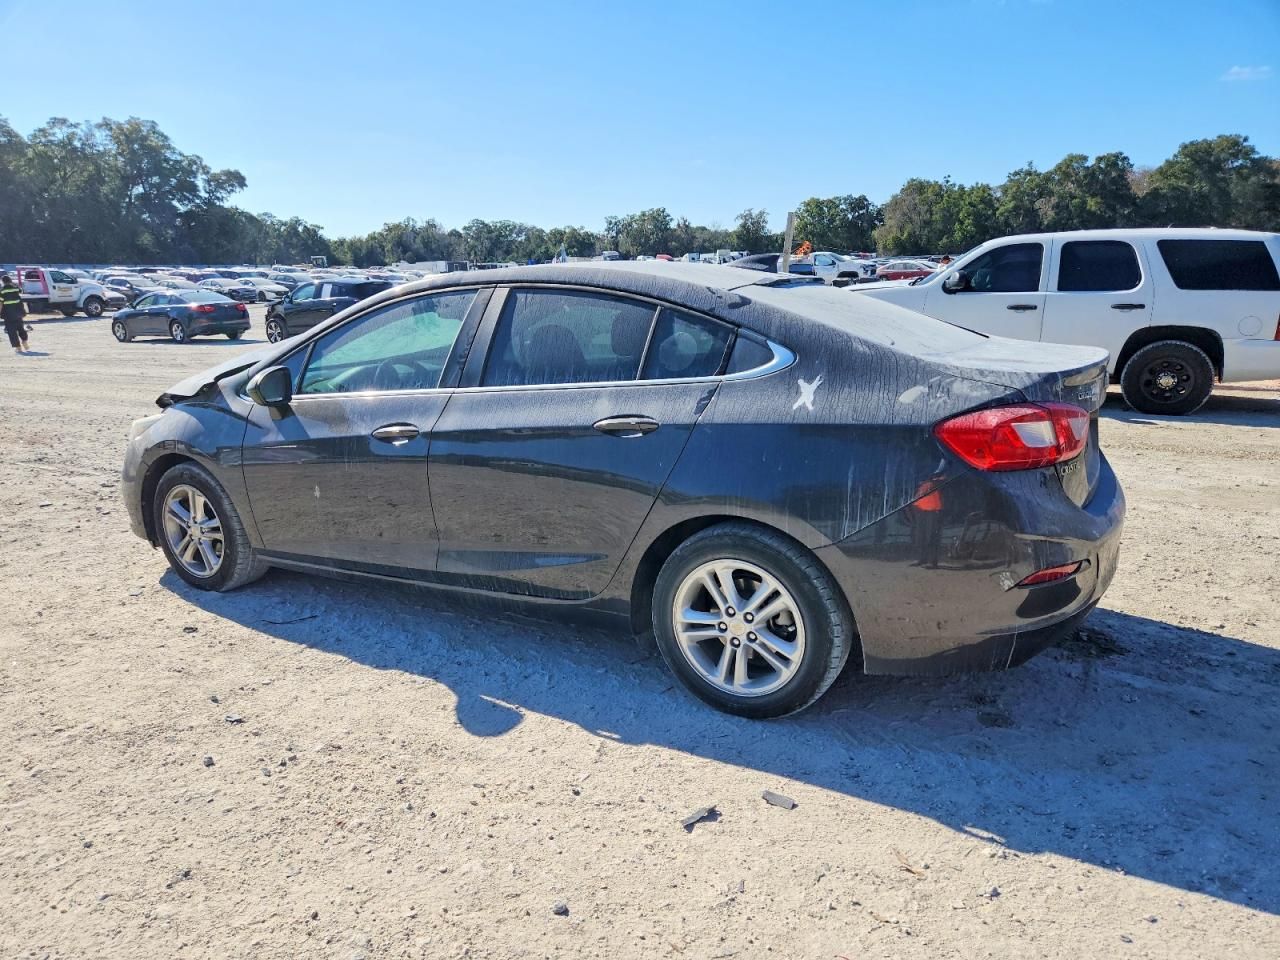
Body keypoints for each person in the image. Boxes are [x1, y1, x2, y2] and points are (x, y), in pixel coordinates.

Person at [1, 274, 29, 355]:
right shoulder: (15, 288)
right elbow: (21, 291)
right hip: (18, 312)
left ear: (3, 282)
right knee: (21, 328)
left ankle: (18, 347)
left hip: (8, 314)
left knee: (11, 331)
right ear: (10, 280)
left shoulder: (2, 290)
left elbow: (1, 303)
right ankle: (25, 342)